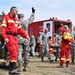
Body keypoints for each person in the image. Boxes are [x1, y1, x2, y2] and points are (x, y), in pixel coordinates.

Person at [1, 6, 30, 75]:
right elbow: (3, 28)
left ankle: (12, 70)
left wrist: (26, 35)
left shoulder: (16, 20)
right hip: (9, 37)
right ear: (12, 11)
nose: (17, 12)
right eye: (16, 11)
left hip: (15, 37)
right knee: (13, 52)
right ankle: (11, 70)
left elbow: (20, 30)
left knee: (16, 53)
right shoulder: (6, 17)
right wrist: (5, 37)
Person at [17, 7, 35, 71]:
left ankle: (19, 67)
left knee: (19, 53)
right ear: (23, 17)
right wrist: (33, 13)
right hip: (26, 39)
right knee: (26, 53)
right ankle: (25, 67)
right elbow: (31, 19)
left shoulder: (16, 22)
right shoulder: (25, 22)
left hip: (18, 39)